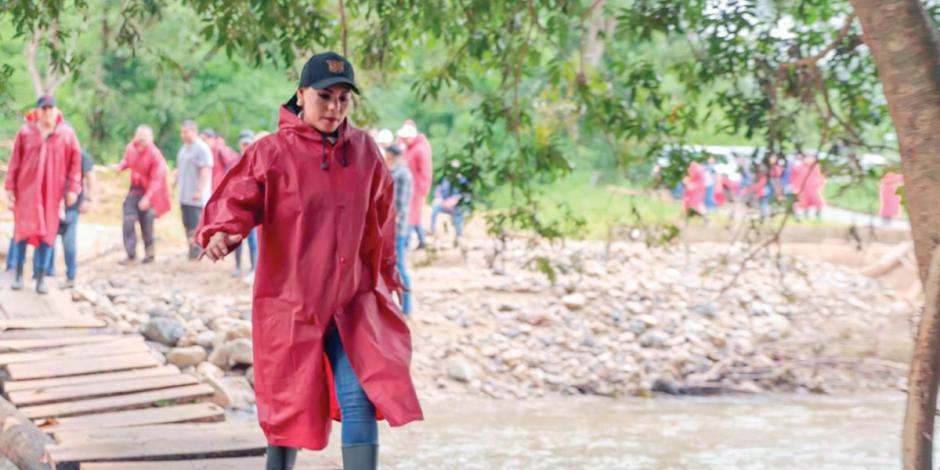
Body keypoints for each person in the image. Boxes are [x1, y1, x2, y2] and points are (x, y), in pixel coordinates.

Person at [197, 52, 422, 470]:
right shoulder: (272, 152)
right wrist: (224, 233)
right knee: (288, 410)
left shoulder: (365, 152)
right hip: (292, 303)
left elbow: (381, 218)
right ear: (301, 95)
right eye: (325, 96)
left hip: (352, 300)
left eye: (343, 98)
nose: (334, 108)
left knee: (360, 395)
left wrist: (388, 271)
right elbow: (238, 199)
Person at [4, 95, 81, 293]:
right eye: (44, 109)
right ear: (37, 111)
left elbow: (75, 164)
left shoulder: (66, 134)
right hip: (27, 192)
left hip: (52, 193)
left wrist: (73, 188)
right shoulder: (26, 132)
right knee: (21, 232)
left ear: (56, 111)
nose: (47, 113)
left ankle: (41, 277)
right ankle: (18, 274)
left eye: (50, 109)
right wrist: (10, 187)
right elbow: (15, 161)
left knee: (47, 234)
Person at [114, 125, 172, 264]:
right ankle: (131, 254)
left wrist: (148, 198)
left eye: (144, 139)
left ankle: (150, 254)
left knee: (147, 224)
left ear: (151, 139)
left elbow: (157, 179)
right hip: (134, 190)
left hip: (150, 192)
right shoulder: (131, 148)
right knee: (128, 220)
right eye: (139, 137)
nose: (141, 141)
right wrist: (120, 167)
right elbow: (127, 160)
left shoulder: (155, 155)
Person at [44, 149, 96, 288]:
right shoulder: (53, 151)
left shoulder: (81, 155)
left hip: (72, 205)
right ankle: (48, 273)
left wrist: (89, 199)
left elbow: (90, 176)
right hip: (52, 203)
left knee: (69, 241)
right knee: (49, 238)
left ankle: (71, 276)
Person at [175, 120, 213, 260]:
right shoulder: (184, 149)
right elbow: (180, 168)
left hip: (196, 196)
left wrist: (199, 190)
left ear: (193, 131)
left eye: (185, 132)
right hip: (184, 194)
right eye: (182, 132)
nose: (183, 135)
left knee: (196, 225)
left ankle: (198, 251)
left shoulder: (202, 149)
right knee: (187, 224)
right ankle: (192, 250)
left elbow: (205, 170)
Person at [385, 143, 414, 315]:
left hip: (397, 229)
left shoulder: (402, 174)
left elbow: (401, 205)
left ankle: (407, 308)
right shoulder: (396, 171)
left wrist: (393, 223)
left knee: (400, 267)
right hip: (391, 227)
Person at [397, 120, 432, 250]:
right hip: (408, 187)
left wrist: (424, 189)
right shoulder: (408, 148)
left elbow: (425, 171)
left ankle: (406, 242)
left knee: (411, 216)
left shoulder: (420, 150)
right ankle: (421, 240)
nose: (404, 140)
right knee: (413, 216)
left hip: (416, 188)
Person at [232, 129, 259, 277]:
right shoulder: (235, 161)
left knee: (253, 240)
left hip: (253, 206)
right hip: (238, 206)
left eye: (248, 143)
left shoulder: (258, 160)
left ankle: (254, 269)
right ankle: (238, 267)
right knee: (236, 238)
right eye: (243, 144)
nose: (245, 146)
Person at [429, 160, 469, 244]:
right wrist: (439, 198)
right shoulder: (445, 179)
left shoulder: (462, 181)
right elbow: (438, 190)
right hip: (443, 203)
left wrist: (456, 199)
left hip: (455, 205)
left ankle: (459, 235)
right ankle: (432, 230)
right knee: (435, 208)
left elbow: (465, 194)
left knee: (458, 213)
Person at [791, 153, 826, 219]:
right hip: (803, 189)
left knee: (818, 202)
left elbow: (822, 176)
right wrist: (795, 187)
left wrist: (821, 185)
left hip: (814, 188)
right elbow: (794, 178)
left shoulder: (816, 167)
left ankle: (818, 215)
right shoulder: (798, 167)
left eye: (812, 158)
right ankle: (805, 216)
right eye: (808, 158)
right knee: (804, 202)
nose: (810, 160)